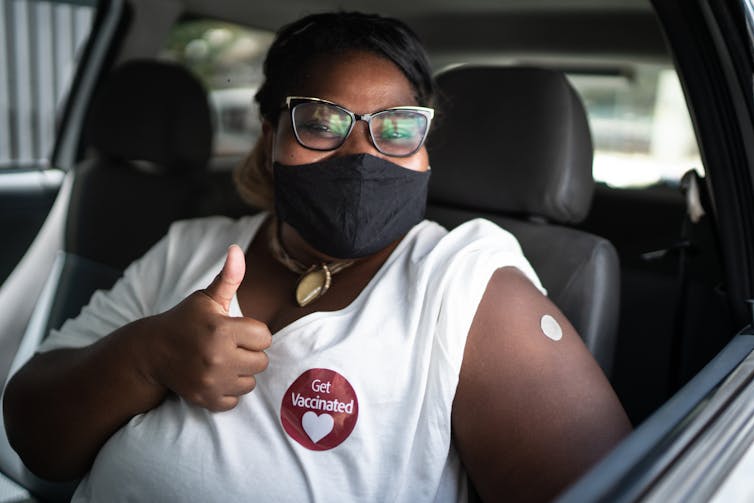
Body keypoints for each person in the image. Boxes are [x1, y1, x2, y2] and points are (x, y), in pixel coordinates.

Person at [3, 11, 631, 503]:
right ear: (271, 135)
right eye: (323, 123)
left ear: (425, 148)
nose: (361, 155)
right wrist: (145, 358)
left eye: (395, 128)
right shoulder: (192, 246)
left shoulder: (462, 283)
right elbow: (35, 435)